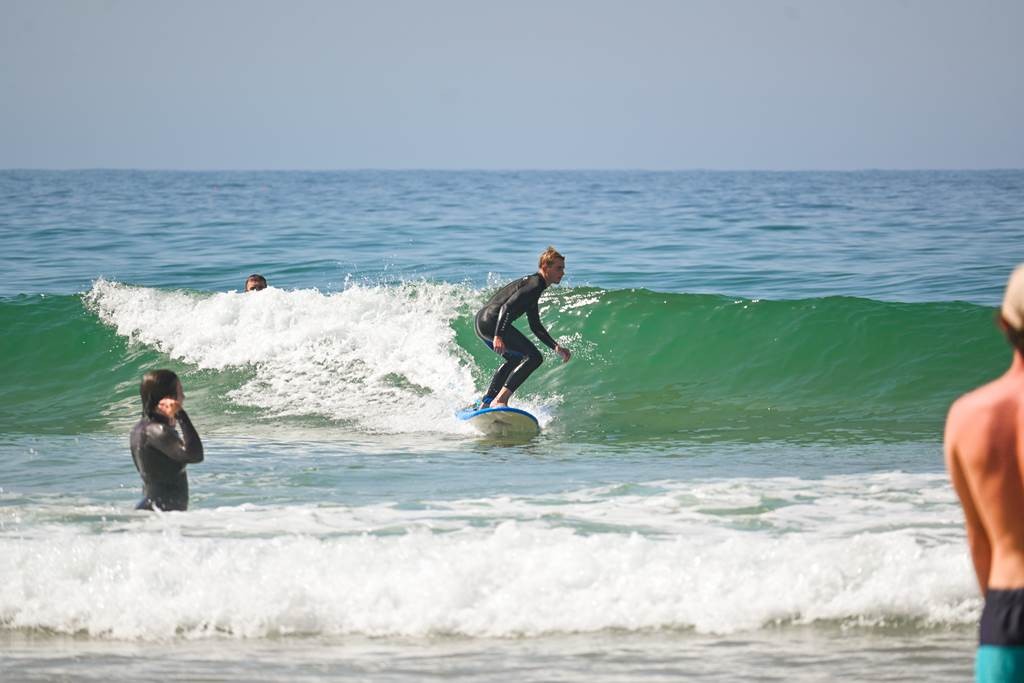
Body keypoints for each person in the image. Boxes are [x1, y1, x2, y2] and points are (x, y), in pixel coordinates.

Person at [946, 264, 1024, 682]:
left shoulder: (966, 415)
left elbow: (979, 540)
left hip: (1004, 612)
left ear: (1003, 322)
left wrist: (998, 611)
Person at [473, 246, 572, 408]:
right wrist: (498, 335)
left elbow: (535, 325)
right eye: (558, 268)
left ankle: (486, 402)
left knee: (515, 358)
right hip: (491, 322)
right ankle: (501, 400)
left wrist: (556, 347)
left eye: (563, 268)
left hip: (483, 322)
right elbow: (506, 308)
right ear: (546, 268)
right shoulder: (534, 285)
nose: (562, 272)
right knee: (534, 357)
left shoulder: (534, 285)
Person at [130, 369, 204, 511]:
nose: (184, 396)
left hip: (156, 512)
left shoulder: (141, 428)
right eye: (180, 391)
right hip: (160, 514)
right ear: (169, 398)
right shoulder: (156, 431)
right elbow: (194, 455)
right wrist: (181, 415)